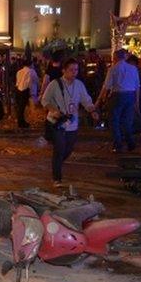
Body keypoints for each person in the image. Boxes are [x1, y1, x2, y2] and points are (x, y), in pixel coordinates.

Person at [41, 58, 99, 187]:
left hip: (72, 123)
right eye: (71, 70)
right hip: (57, 122)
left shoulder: (79, 84)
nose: (74, 72)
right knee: (60, 148)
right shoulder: (55, 84)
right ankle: (57, 178)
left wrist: (92, 110)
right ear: (64, 71)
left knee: (68, 149)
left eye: (76, 70)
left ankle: (56, 164)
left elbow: (86, 100)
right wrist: (54, 110)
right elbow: (44, 100)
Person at [96, 49, 140, 153]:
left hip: (117, 95)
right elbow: (137, 86)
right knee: (127, 121)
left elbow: (106, 86)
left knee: (114, 121)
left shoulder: (113, 69)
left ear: (115, 58)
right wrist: (137, 102)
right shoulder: (133, 69)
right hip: (130, 95)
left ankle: (118, 144)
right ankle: (130, 142)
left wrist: (99, 100)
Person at [14, 60, 39, 129]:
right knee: (23, 108)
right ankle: (21, 123)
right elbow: (36, 80)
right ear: (30, 64)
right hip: (25, 91)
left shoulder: (19, 72)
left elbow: (17, 82)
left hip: (18, 90)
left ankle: (21, 121)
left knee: (20, 108)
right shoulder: (31, 71)